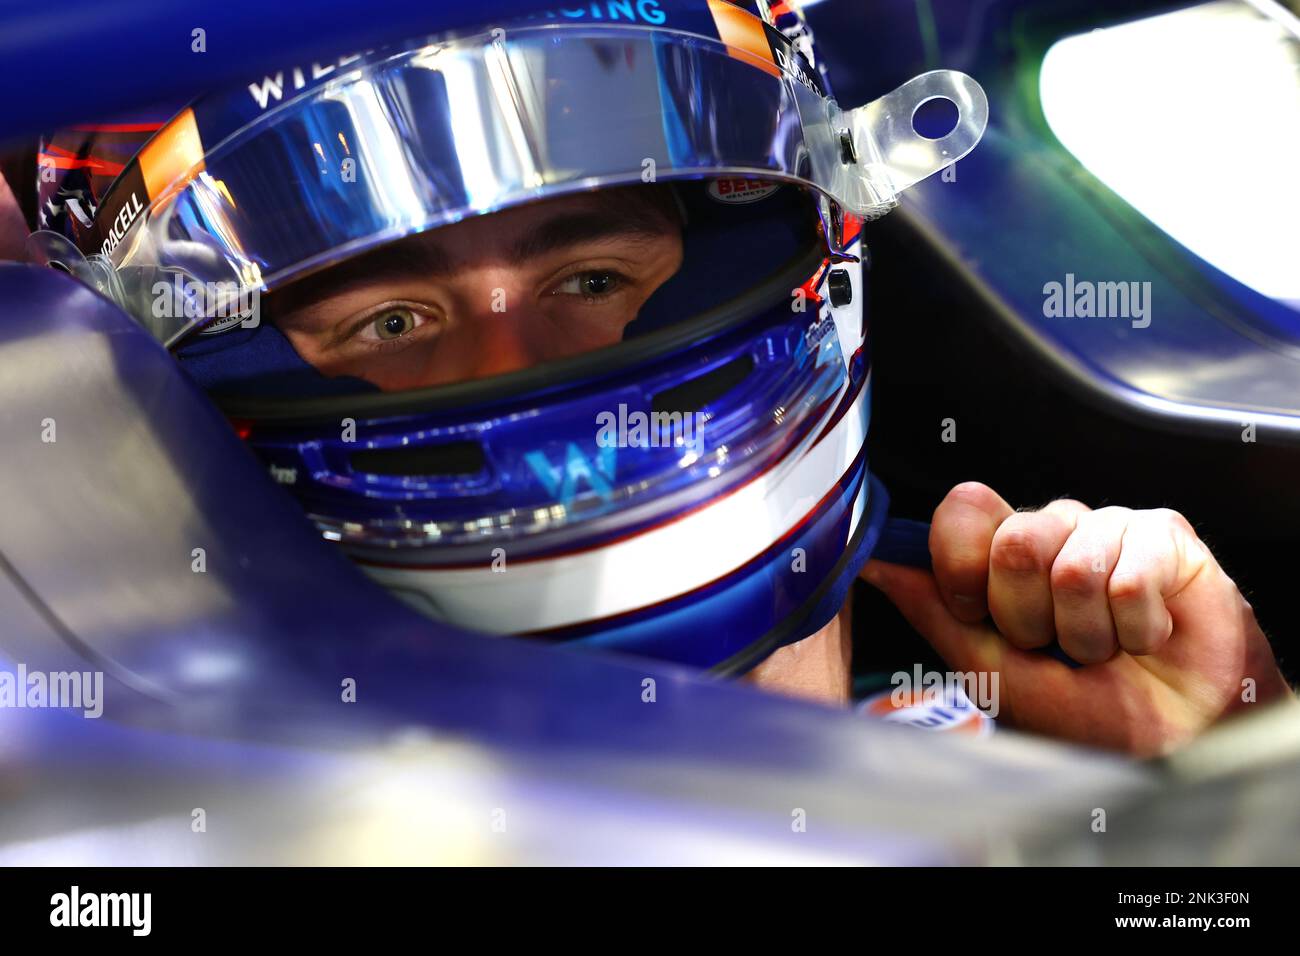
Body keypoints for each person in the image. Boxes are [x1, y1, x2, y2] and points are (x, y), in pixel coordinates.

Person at [26, 0, 1292, 756]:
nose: (530, 389)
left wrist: (1207, 771)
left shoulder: (1010, 729)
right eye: (395, 317)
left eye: (588, 278)